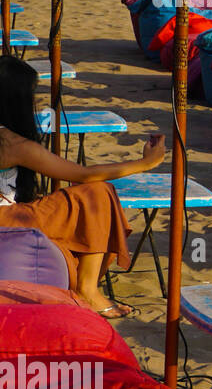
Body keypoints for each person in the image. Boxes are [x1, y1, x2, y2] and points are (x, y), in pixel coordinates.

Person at [0, 57, 167, 317]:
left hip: (10, 213)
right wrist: (146, 162)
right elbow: (85, 174)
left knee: (72, 199)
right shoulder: (10, 143)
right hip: (8, 219)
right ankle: (88, 290)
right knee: (96, 193)